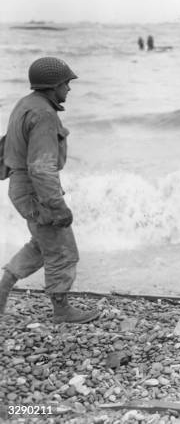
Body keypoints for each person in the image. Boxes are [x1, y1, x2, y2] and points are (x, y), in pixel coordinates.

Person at [0, 57, 100, 324]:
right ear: (52, 85)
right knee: (62, 250)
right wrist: (57, 206)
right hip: (36, 190)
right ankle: (61, 309)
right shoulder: (43, 114)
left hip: (22, 186)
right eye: (66, 83)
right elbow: (42, 168)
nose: (69, 88)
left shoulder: (27, 103)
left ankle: (4, 286)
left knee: (42, 244)